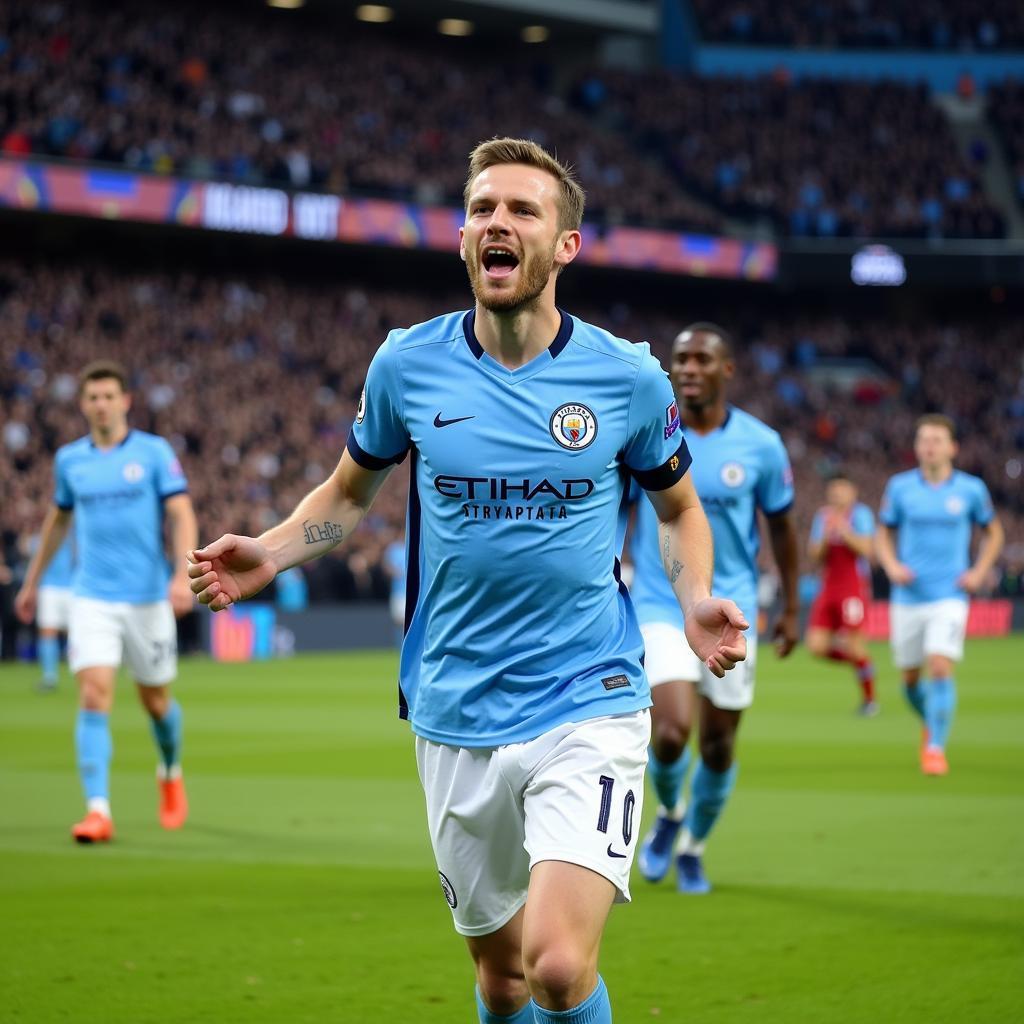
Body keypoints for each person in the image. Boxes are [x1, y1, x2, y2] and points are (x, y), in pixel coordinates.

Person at [187, 138, 748, 1024]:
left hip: (589, 694)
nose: (499, 222)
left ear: (565, 244)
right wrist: (274, 547)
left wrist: (691, 600)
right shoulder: (407, 366)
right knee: (502, 979)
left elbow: (679, 510)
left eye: (523, 210)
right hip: (453, 704)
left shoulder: (627, 378)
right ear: (462, 238)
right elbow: (346, 493)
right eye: (484, 208)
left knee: (559, 967)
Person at [630, 322, 799, 894]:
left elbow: (781, 528)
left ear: (727, 370)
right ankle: (671, 812)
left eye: (703, 359)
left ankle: (694, 847)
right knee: (672, 730)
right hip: (660, 601)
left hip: (735, 609)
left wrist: (793, 606)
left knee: (720, 744)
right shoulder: (647, 434)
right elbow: (615, 514)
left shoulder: (761, 445)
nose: (691, 368)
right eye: (682, 359)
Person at [15, 361, 197, 842]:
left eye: (108, 396)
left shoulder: (154, 454)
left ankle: (170, 769)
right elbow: (56, 523)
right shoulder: (70, 461)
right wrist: (32, 584)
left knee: (156, 701)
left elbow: (181, 513)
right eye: (92, 397)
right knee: (94, 694)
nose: (100, 404)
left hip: (146, 598)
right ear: (82, 405)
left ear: (125, 401)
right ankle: (98, 810)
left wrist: (183, 574)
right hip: (90, 596)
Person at [875, 414, 1003, 776]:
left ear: (952, 447)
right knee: (910, 681)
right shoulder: (900, 487)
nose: (928, 446)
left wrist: (979, 571)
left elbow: (994, 533)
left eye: (936, 440)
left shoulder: (971, 489)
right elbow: (883, 534)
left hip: (949, 594)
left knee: (940, 666)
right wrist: (891, 565)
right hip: (908, 596)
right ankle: (933, 721)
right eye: (923, 440)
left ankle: (934, 749)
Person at [805, 473, 878, 716]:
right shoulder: (822, 517)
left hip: (852, 587)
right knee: (816, 646)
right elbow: (815, 556)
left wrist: (844, 530)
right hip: (828, 586)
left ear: (852, 491)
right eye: (833, 490)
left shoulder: (861, 515)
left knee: (855, 646)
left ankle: (869, 700)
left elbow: (866, 549)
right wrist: (827, 534)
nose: (837, 494)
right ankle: (864, 665)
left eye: (841, 489)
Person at [31, 532, 76, 691]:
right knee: (48, 632)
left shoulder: (75, 536)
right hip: (49, 587)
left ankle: (81, 673)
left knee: (78, 633)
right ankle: (50, 677)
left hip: (73, 588)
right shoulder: (41, 538)